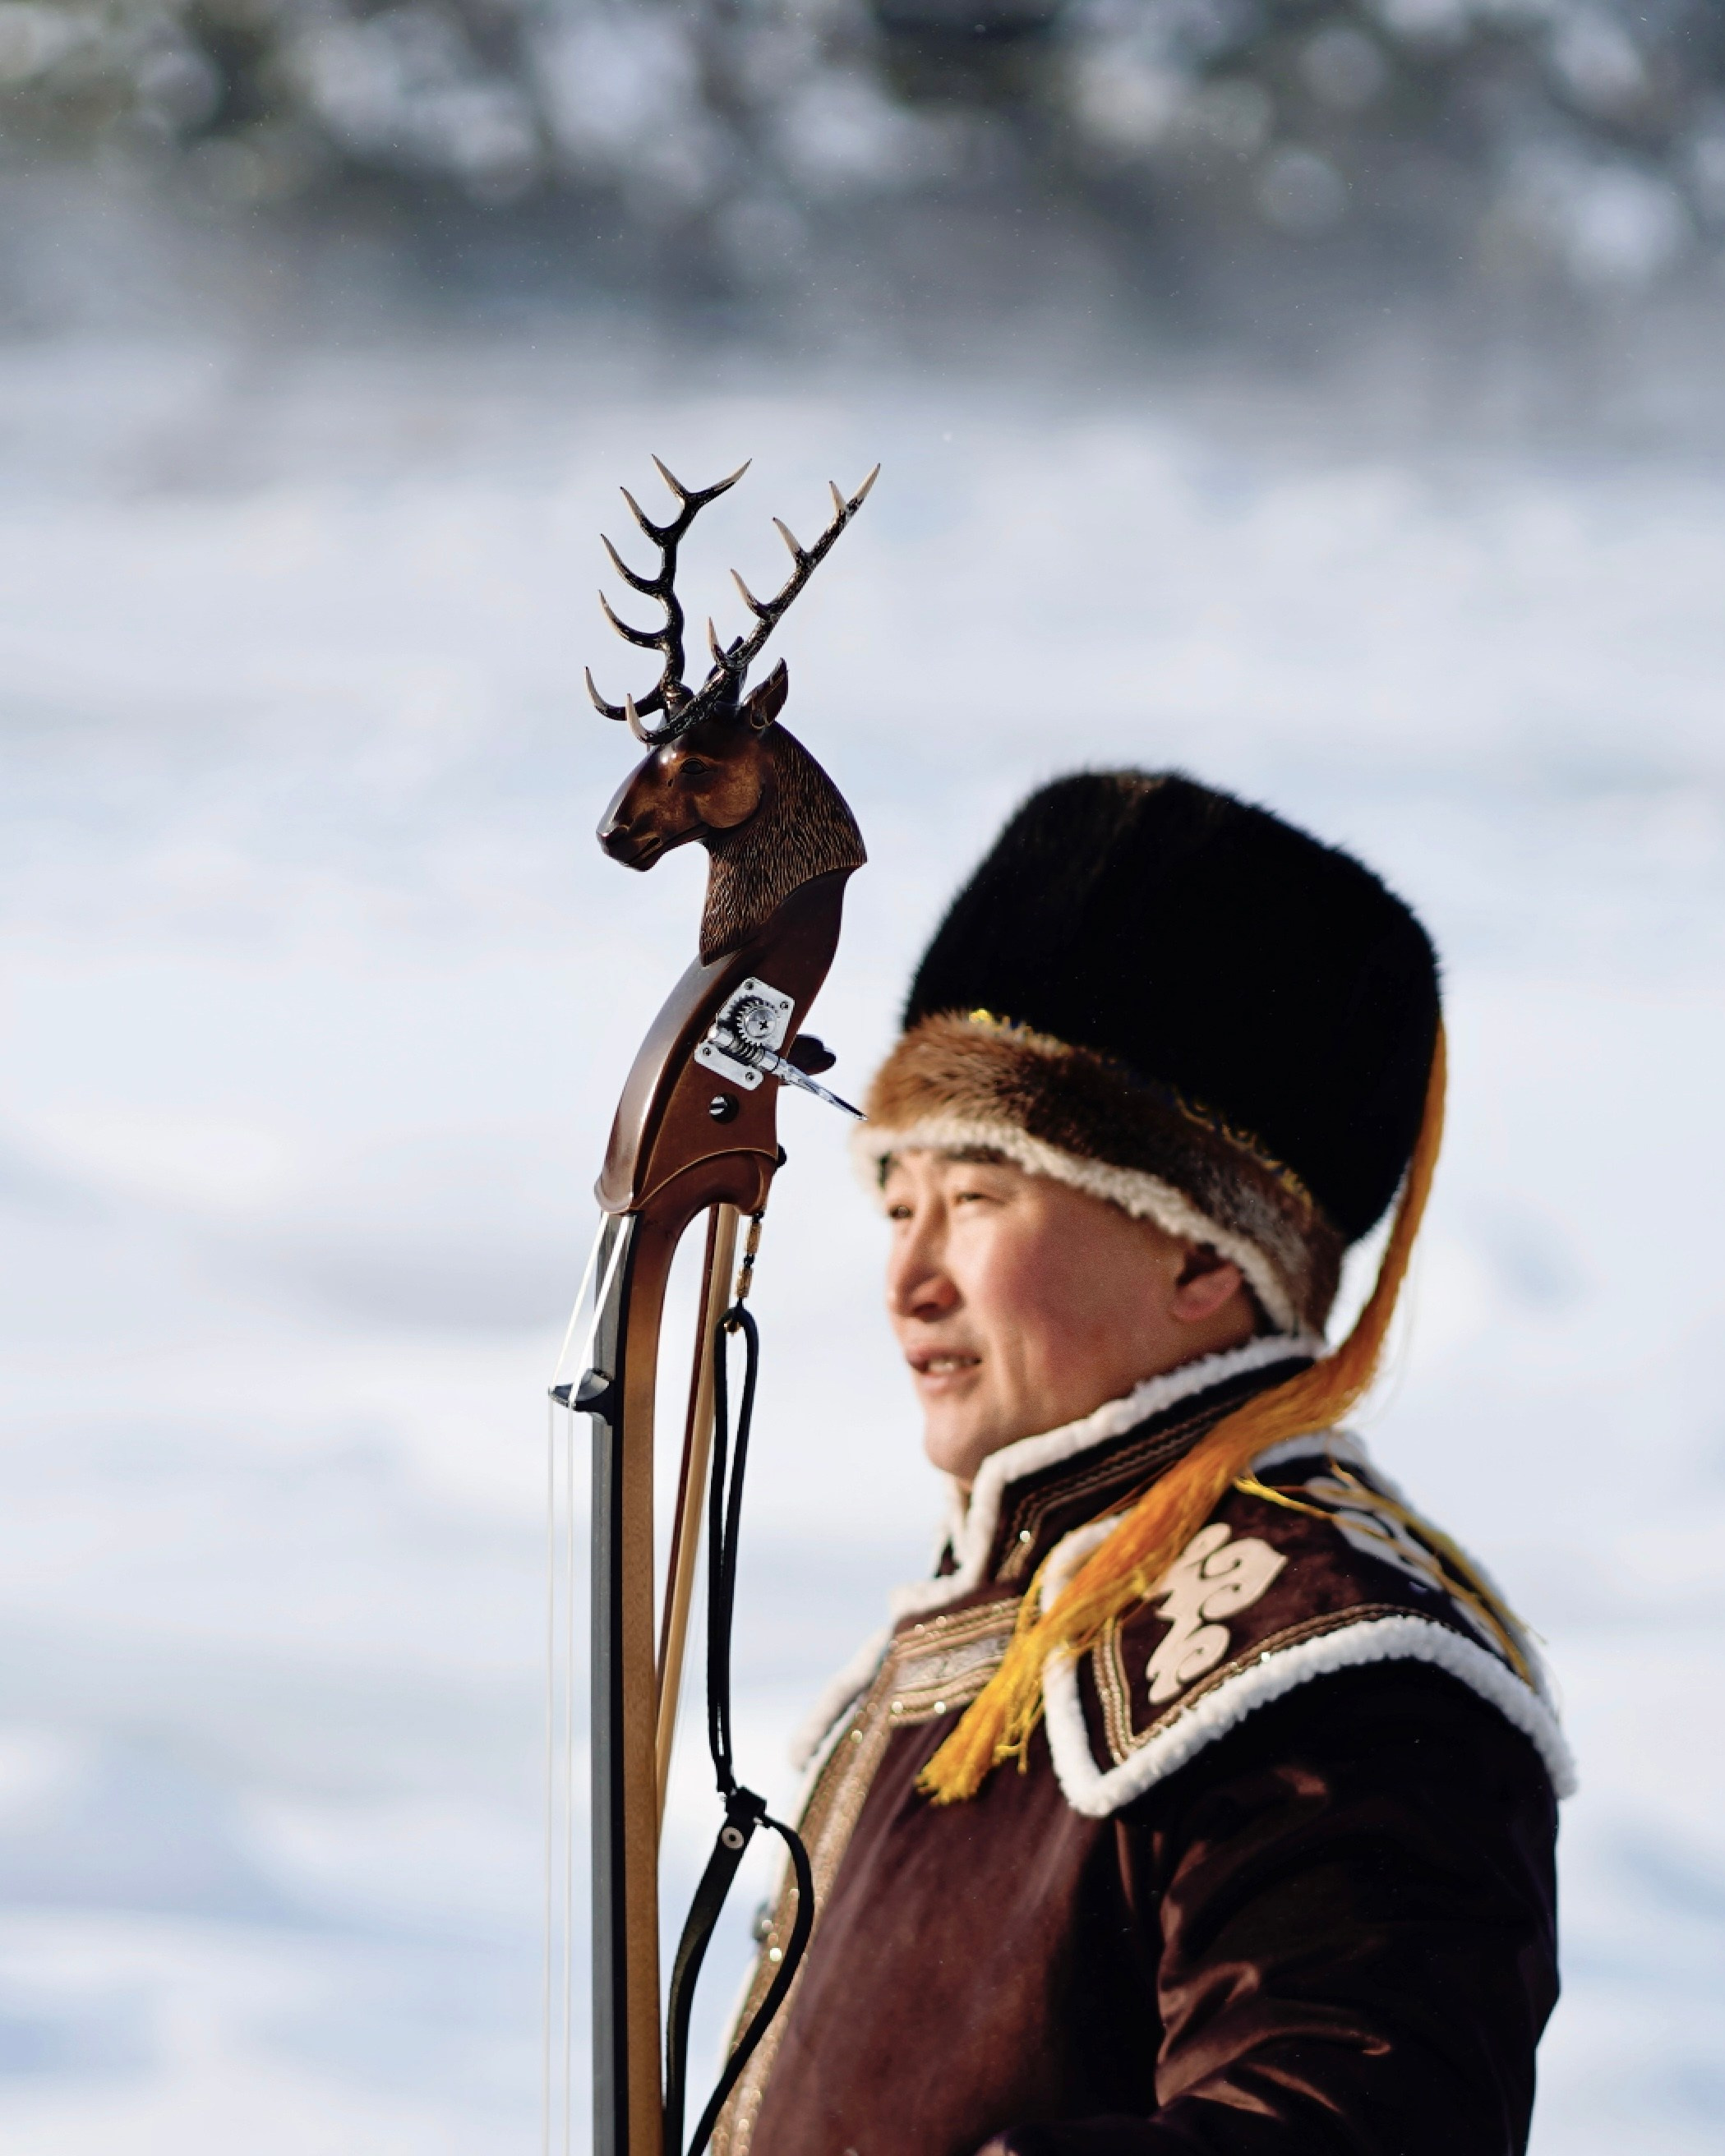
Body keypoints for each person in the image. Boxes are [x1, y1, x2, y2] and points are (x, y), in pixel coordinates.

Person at [714, 772, 1566, 2156]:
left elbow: (1343, 2129)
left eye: (978, 1198)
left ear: (1200, 1254)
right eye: (897, 1203)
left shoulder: (1333, 1657)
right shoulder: (1005, 1623)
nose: (909, 1281)